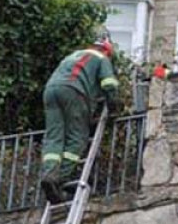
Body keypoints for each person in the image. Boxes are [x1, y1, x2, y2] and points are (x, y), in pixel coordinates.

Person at [40, 34, 121, 204]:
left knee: (54, 137)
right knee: (76, 138)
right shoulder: (102, 58)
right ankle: (60, 180)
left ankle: (49, 174)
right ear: (107, 50)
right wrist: (113, 106)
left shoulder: (72, 56)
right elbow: (109, 84)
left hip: (50, 91)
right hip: (74, 92)